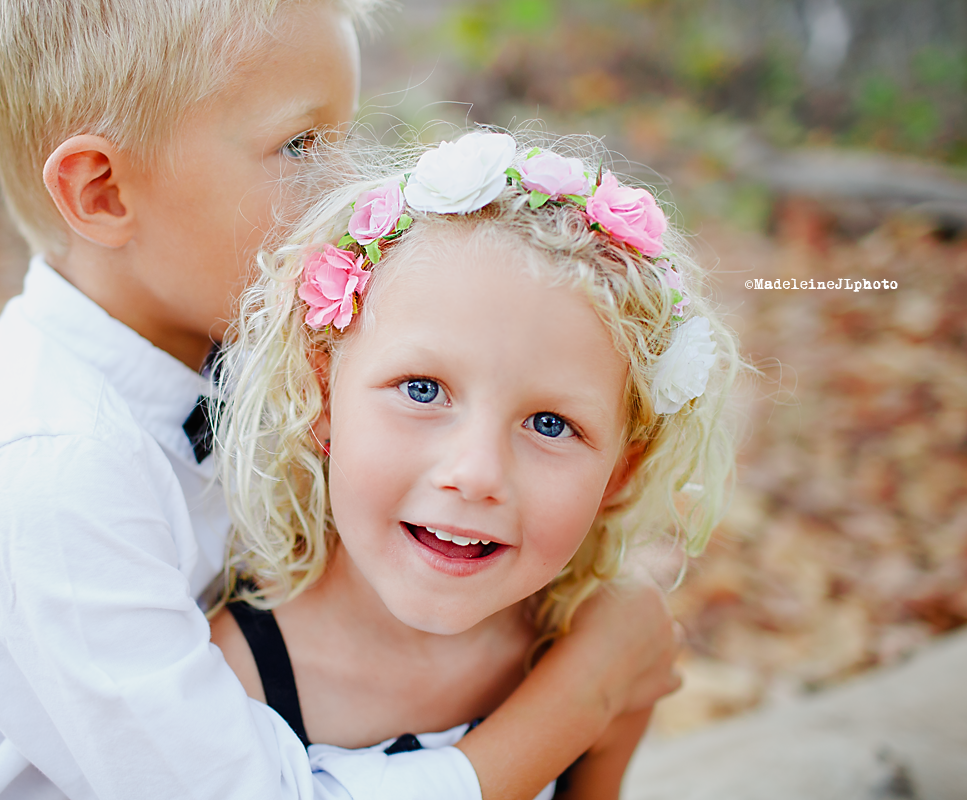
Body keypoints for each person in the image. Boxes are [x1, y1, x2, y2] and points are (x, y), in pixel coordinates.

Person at [0, 1, 680, 796]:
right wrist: (586, 689)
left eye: (346, 135)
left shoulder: (244, 354)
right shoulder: (43, 473)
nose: (347, 184)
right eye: (301, 145)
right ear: (103, 191)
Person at [209, 130, 744, 799]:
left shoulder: (596, 647)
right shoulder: (229, 677)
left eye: (551, 425)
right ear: (321, 399)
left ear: (619, 476)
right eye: (423, 390)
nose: (477, 473)